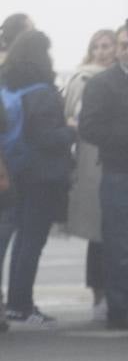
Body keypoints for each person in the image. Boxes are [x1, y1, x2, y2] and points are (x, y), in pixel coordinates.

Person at [78, 26, 128, 329]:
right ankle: (119, 309)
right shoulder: (102, 83)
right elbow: (88, 128)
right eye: (123, 45)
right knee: (118, 245)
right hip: (119, 173)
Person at [1, 30, 72, 326]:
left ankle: (13, 303)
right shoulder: (42, 91)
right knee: (32, 240)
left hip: (15, 171)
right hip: (41, 176)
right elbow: (46, 136)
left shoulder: (8, 85)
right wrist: (71, 130)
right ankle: (21, 303)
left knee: (14, 239)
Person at [64, 28, 116, 317]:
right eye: (97, 45)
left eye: (106, 45)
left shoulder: (123, 78)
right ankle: (99, 292)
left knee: (113, 232)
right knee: (98, 233)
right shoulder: (84, 77)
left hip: (110, 158)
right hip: (91, 160)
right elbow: (72, 115)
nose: (102, 51)